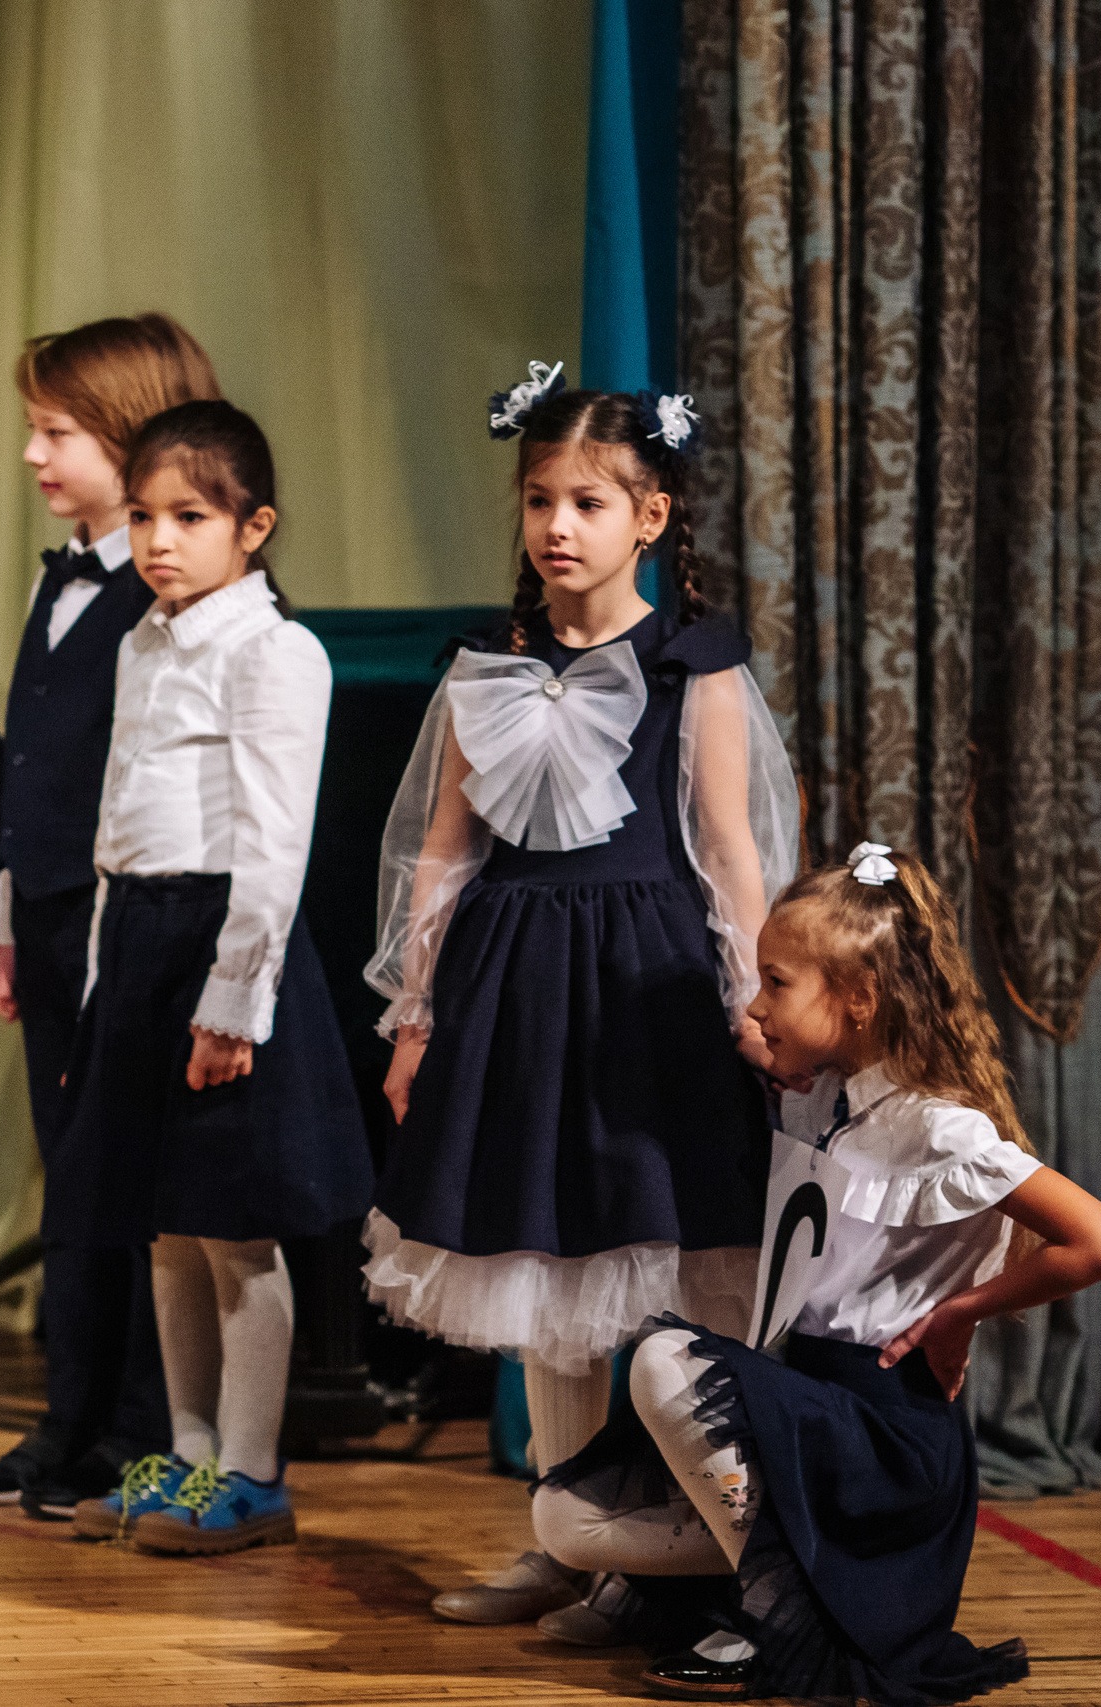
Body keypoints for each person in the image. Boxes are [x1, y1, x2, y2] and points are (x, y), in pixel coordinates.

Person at [360, 371, 798, 1631]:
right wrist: (416, 1015)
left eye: (590, 502)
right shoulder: (488, 667)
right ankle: (565, 1538)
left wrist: (754, 1002)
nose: (558, 525)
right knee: (544, 1266)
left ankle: (655, 1551)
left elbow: (730, 849)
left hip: (646, 995)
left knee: (653, 1261)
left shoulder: (690, 664)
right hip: (516, 991)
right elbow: (443, 852)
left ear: (649, 518)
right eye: (540, 500)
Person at [531, 846, 1101, 1702]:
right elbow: (763, 1051)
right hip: (812, 1410)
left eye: (776, 983)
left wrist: (960, 1312)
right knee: (561, 1519)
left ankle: (782, 1611)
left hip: (881, 1437)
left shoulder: (939, 1127)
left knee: (665, 1359)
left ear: (858, 997)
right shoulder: (828, 1098)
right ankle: (771, 1579)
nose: (756, 1004)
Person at [51, 401, 370, 1555]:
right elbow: (116, 831)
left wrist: (235, 999)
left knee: (234, 1226)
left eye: (189, 517)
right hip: (140, 940)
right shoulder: (144, 641)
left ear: (254, 526)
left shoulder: (273, 651)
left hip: (222, 943)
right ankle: (186, 1459)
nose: (159, 540)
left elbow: (275, 844)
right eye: (143, 516)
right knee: (163, 1226)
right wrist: (99, 988)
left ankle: (252, 1471)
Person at [0, 313, 221, 1519]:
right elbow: (33, 765)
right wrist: (7, 921)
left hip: (132, 921)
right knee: (70, 1173)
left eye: (55, 432)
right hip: (52, 916)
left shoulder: (174, 594)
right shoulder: (60, 574)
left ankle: (135, 1426)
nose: (33, 454)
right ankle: (68, 1419)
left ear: (130, 435)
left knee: (128, 1176)